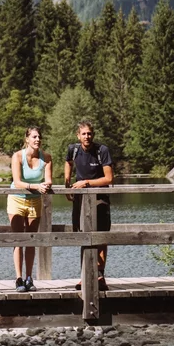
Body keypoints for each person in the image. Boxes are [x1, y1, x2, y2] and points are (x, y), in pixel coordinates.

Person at [65, 121, 113, 291]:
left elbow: (109, 178)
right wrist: (67, 184)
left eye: (89, 133)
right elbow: (68, 162)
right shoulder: (73, 149)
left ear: (93, 135)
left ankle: (100, 275)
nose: (87, 136)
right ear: (78, 136)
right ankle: (85, 275)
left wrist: (86, 183)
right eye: (84, 134)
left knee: (101, 237)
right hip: (81, 200)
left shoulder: (102, 150)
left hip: (100, 199)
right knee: (83, 236)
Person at [8, 126, 52, 291]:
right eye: (34, 137)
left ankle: (29, 278)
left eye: (39, 137)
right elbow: (17, 182)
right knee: (19, 239)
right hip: (17, 200)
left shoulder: (46, 158)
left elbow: (48, 179)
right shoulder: (17, 156)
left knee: (31, 240)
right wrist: (36, 186)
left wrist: (46, 185)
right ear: (27, 139)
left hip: (35, 202)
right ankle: (18, 279)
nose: (37, 139)